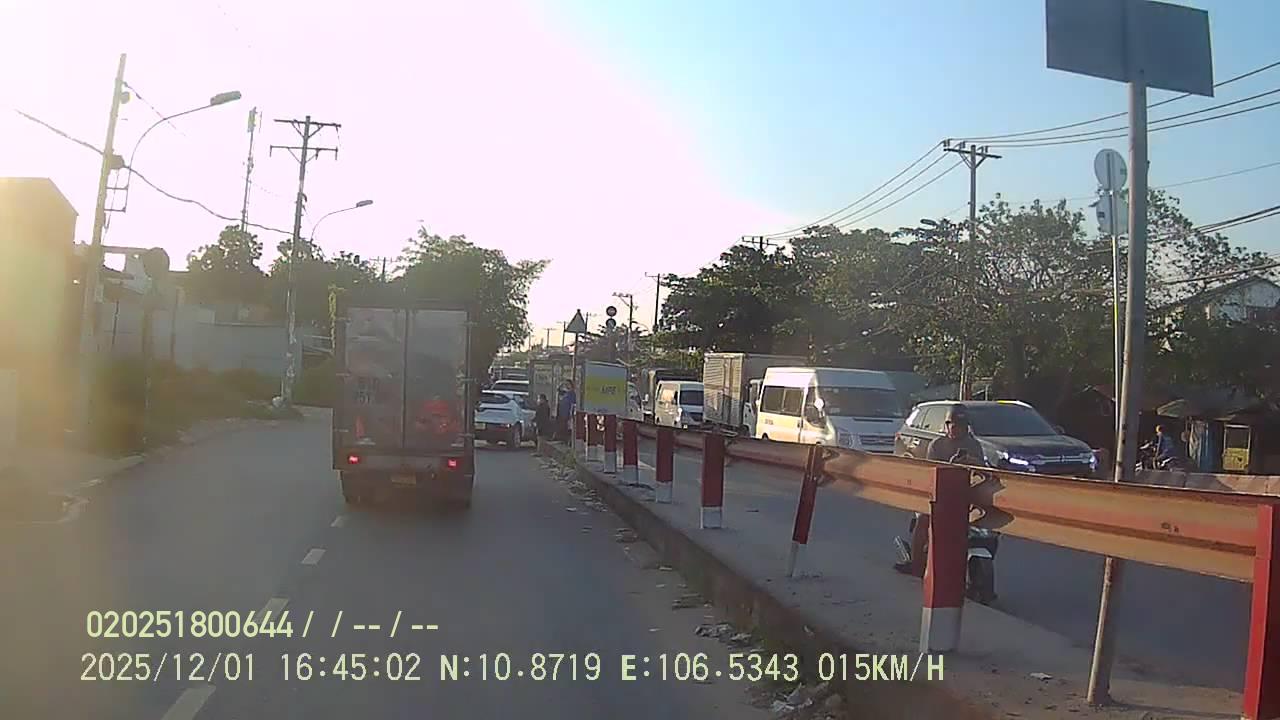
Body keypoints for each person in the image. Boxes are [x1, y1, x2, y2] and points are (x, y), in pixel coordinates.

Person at [895, 405, 985, 576]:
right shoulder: (937, 445)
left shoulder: (974, 445)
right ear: (946, 425)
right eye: (951, 424)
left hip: (964, 497)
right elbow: (931, 472)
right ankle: (916, 564)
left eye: (959, 425)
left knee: (982, 526)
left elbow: (983, 471)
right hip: (939, 496)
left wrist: (971, 461)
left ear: (966, 426)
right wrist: (950, 465)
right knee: (923, 519)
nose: (954, 429)